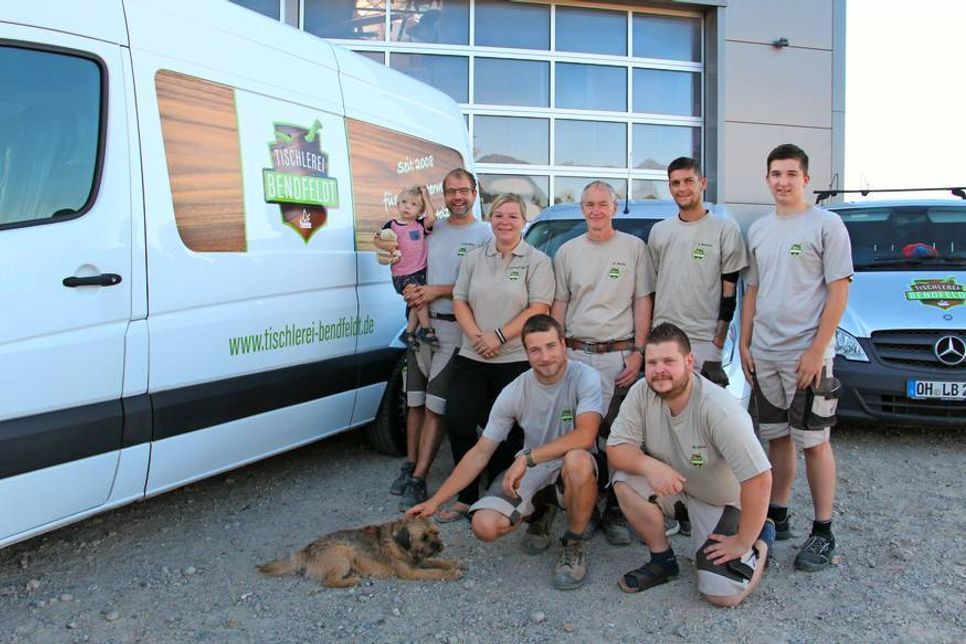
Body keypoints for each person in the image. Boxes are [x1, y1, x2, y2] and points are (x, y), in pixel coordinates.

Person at [407, 314, 603, 590]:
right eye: (535, 350)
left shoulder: (585, 377)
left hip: (569, 467)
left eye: (550, 346)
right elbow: (480, 452)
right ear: (526, 353)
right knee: (484, 526)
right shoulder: (516, 389)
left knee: (578, 461)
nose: (544, 356)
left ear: (563, 344)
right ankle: (540, 514)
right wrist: (436, 501)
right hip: (535, 471)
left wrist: (527, 457)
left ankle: (574, 542)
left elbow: (586, 435)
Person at [739, 144, 852, 572]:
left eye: (791, 173)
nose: (782, 181)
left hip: (807, 354)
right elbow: (753, 290)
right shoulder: (760, 230)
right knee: (777, 437)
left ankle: (823, 531)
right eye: (775, 173)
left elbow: (839, 290)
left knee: (814, 443)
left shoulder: (827, 224)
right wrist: (745, 344)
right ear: (766, 178)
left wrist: (817, 350)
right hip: (764, 352)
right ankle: (778, 513)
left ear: (805, 179)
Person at [607, 322, 774, 607]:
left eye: (669, 361)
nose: (659, 370)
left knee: (722, 595)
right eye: (653, 362)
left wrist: (742, 542)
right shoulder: (641, 393)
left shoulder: (718, 408)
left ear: (689, 361)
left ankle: (761, 541)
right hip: (680, 488)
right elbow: (616, 449)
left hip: (722, 501)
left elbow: (759, 479)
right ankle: (662, 561)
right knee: (625, 481)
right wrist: (650, 466)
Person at [435, 193, 556, 522]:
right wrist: (477, 336)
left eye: (513, 216)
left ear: (523, 221)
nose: (505, 221)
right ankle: (465, 496)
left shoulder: (537, 261)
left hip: (514, 359)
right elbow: (459, 300)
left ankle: (498, 497)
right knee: (459, 421)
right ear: (490, 219)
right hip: (473, 355)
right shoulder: (474, 259)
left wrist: (499, 336)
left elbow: (539, 308)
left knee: (506, 433)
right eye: (499, 215)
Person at [551, 180, 659, 546]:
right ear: (581, 209)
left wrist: (639, 351)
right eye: (589, 204)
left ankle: (615, 508)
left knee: (617, 436)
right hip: (577, 354)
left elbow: (642, 302)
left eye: (603, 204)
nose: (596, 211)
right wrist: (559, 347)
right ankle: (586, 505)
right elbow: (561, 303)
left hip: (619, 355)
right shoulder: (567, 251)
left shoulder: (633, 249)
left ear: (614, 207)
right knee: (579, 436)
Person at [390, 169, 492, 512]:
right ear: (444, 195)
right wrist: (407, 286)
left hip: (453, 330)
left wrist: (437, 290)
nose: (457, 197)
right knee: (414, 401)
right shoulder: (431, 229)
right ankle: (409, 465)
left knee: (436, 406)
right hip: (420, 324)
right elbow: (407, 261)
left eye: (464, 191)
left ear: (475, 193)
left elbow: (482, 285)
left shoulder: (486, 234)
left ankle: (420, 477)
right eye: (451, 191)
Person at [648, 157, 747, 385]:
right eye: (675, 183)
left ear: (702, 183)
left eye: (688, 181)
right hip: (664, 337)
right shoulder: (659, 232)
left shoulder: (724, 230)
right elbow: (651, 289)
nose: (682, 188)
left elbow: (729, 291)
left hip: (704, 341)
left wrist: (719, 340)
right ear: (669, 187)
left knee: (704, 413)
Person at [373, 184, 439, 348]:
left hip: (420, 271)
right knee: (419, 300)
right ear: (397, 204)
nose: (407, 206)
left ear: (420, 210)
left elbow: (432, 218)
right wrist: (385, 245)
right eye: (404, 202)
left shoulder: (420, 225)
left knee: (417, 304)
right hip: (402, 274)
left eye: (413, 204)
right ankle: (426, 329)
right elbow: (377, 239)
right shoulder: (392, 225)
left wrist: (426, 198)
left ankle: (408, 333)